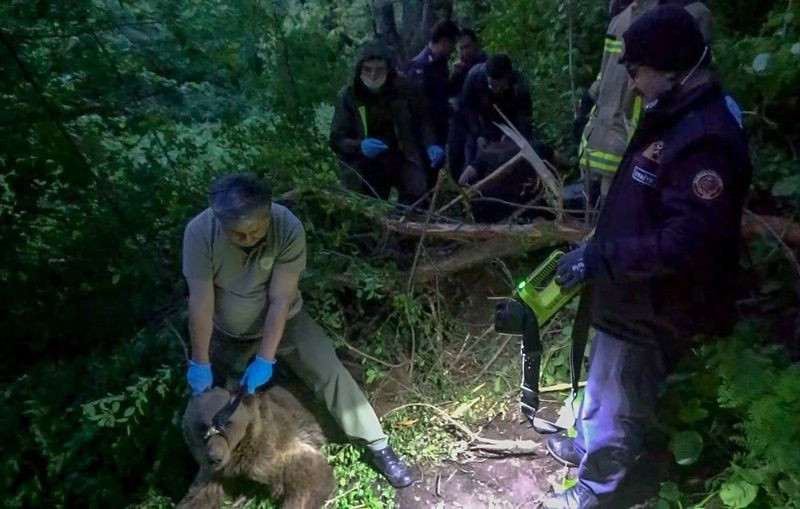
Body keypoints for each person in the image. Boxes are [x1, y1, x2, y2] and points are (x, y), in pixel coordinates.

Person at [546, 6, 751, 508]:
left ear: (670, 65)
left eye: (636, 72)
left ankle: (595, 491)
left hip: (654, 300)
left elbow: (688, 243)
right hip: (627, 284)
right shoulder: (672, 109)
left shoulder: (705, 137)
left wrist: (603, 258)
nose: (632, 85)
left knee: (620, 397)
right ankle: (588, 446)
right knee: (604, 381)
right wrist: (599, 252)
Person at [182, 174, 414, 488]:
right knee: (220, 401)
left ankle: (378, 446)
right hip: (228, 333)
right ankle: (229, 474)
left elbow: (280, 299)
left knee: (329, 371)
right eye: (237, 234)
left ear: (269, 213)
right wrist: (200, 361)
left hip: (287, 320)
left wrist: (265, 359)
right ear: (219, 221)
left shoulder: (287, 227)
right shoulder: (199, 233)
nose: (248, 239)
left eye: (255, 231)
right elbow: (200, 301)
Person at [576, 0, 711, 218]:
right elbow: (607, 72)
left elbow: (687, 83)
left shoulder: (684, 15)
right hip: (602, 143)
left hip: (630, 149)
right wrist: (588, 104)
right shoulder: (623, 16)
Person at [329, 39, 438, 206]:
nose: (373, 75)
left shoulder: (402, 87)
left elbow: (422, 117)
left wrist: (431, 143)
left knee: (418, 194)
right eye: (367, 69)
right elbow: (336, 140)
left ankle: (411, 219)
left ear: (388, 69)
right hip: (362, 163)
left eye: (379, 69)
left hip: (399, 153)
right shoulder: (348, 96)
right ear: (359, 69)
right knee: (367, 206)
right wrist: (360, 147)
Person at [458, 54, 555, 222]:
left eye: (497, 85)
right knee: (471, 165)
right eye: (491, 84)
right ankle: (470, 210)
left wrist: (512, 138)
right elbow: (467, 111)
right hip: (481, 128)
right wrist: (479, 135)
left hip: (509, 131)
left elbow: (525, 120)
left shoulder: (520, 86)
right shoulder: (475, 78)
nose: (493, 88)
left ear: (507, 78)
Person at [406, 19, 460, 175]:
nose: (453, 48)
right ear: (444, 41)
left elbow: (442, 92)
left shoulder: (441, 63)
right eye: (452, 43)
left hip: (440, 129)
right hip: (425, 135)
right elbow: (418, 106)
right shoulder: (419, 67)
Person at [447, 28, 487, 178]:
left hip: (479, 116)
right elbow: (449, 92)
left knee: (474, 155)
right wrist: (453, 75)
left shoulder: (484, 64)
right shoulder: (460, 67)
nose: (465, 51)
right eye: (462, 48)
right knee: (455, 155)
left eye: (468, 46)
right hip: (460, 118)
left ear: (475, 44)